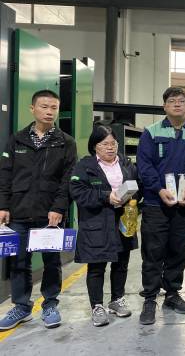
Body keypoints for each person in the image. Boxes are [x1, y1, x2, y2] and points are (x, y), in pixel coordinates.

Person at [0, 90, 77, 330]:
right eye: (44, 106)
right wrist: (3, 205)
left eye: (54, 107)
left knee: (51, 261)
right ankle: (22, 307)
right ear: (32, 109)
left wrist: (59, 207)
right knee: (19, 261)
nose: (49, 111)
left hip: (49, 213)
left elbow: (68, 179)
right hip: (19, 210)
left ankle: (50, 304)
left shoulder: (66, 142)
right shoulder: (17, 139)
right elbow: (5, 174)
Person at [136, 86, 185, 325]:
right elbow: (144, 166)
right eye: (172, 101)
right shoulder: (151, 133)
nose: (177, 104)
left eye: (181, 101)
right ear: (164, 106)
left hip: (184, 203)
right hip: (156, 203)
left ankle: (172, 293)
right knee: (153, 251)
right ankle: (150, 298)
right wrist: (159, 189)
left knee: (178, 249)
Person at [69, 125, 139, 327]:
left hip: (123, 220)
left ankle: (117, 299)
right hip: (97, 222)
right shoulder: (85, 166)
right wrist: (105, 196)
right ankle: (97, 306)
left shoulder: (126, 163)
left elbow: (138, 185)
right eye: (104, 144)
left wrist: (133, 197)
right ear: (95, 146)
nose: (110, 147)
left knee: (121, 263)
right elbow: (77, 191)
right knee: (97, 266)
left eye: (113, 143)